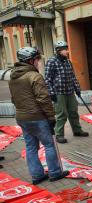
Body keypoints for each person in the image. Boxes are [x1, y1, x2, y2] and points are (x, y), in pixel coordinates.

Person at [9, 47, 68, 184]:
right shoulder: (34, 76)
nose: (39, 62)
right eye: (37, 59)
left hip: (22, 117)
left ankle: (37, 175)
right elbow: (43, 99)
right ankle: (55, 172)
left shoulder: (13, 77)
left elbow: (13, 99)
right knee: (49, 145)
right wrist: (51, 117)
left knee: (31, 147)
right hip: (37, 117)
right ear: (30, 60)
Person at [45, 40, 89, 144]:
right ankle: (59, 134)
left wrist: (77, 89)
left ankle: (77, 130)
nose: (67, 51)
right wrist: (51, 93)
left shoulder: (68, 61)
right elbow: (47, 79)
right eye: (64, 49)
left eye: (66, 49)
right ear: (58, 51)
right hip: (58, 92)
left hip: (70, 91)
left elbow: (73, 77)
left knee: (73, 112)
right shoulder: (51, 61)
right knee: (61, 114)